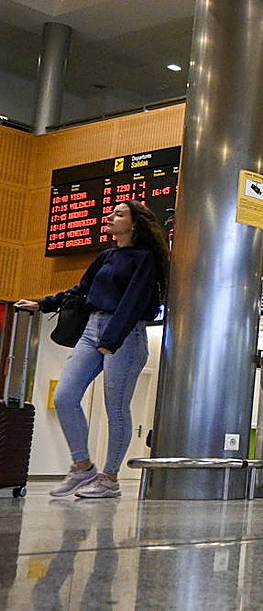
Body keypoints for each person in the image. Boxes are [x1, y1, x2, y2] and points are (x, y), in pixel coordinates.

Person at [16, 200, 169, 499]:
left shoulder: (145, 259)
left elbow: (134, 301)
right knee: (65, 396)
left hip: (125, 333)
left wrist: (110, 341)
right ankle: (83, 466)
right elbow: (81, 290)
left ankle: (109, 478)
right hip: (92, 328)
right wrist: (44, 303)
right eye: (112, 212)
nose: (110, 216)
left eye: (119, 214)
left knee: (116, 409)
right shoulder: (106, 256)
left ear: (135, 224)